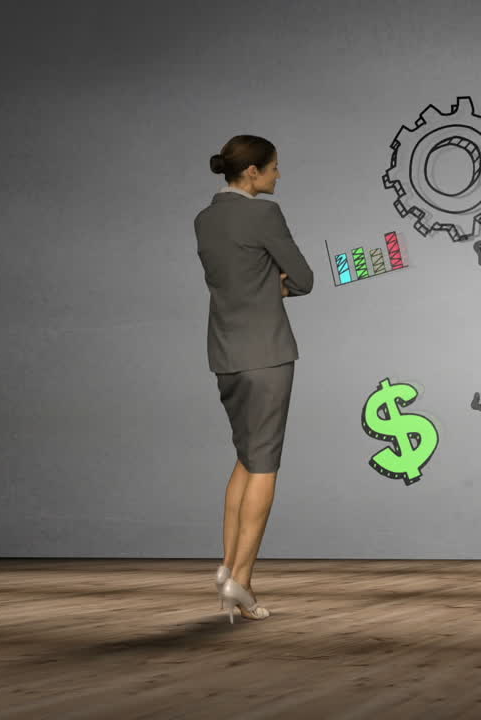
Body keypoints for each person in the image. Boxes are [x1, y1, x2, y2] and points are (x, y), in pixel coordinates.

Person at [194, 135, 313, 623]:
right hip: (267, 354)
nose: (278, 176)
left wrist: (263, 284)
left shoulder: (204, 219)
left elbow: (235, 279)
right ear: (251, 174)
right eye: (274, 169)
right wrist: (276, 286)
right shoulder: (264, 215)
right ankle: (239, 579)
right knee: (265, 464)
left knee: (245, 457)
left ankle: (231, 572)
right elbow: (303, 278)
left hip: (225, 354)